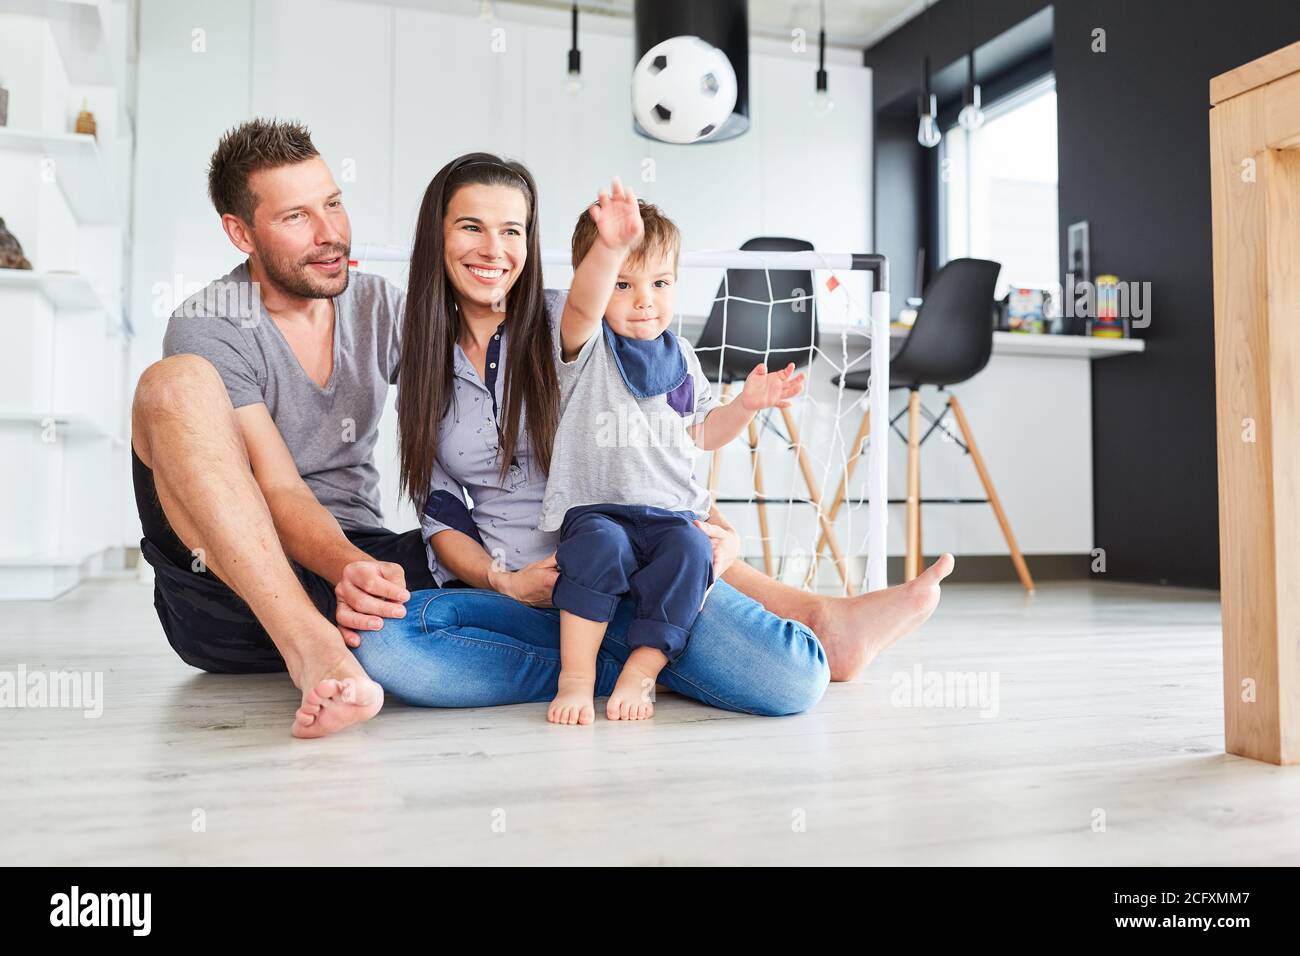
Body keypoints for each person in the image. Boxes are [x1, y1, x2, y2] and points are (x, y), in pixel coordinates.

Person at [345, 151, 956, 720]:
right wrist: (506, 581)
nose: (494, 249)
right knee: (389, 648)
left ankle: (636, 650)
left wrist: (716, 526)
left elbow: (658, 439)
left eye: (512, 231)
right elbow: (443, 515)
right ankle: (635, 663)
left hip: (635, 576)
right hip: (527, 601)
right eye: (471, 227)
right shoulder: (425, 363)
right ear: (438, 236)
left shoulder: (583, 318)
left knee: (793, 679)